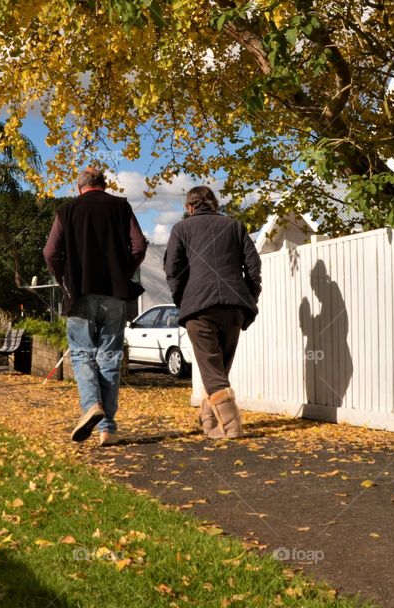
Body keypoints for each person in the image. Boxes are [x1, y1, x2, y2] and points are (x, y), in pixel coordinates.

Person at [43, 166, 147, 446]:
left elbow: (50, 252)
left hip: (79, 295)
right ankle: (108, 430)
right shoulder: (121, 207)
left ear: (80, 188)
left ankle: (91, 405)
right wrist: (122, 273)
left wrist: (63, 277)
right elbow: (138, 246)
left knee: (81, 355)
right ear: (104, 184)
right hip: (113, 295)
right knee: (109, 358)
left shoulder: (66, 211)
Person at [164, 186, 261, 438]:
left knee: (213, 372)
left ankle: (231, 427)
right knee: (217, 370)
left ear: (189, 207)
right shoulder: (235, 226)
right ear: (214, 204)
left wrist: (183, 300)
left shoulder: (181, 229)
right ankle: (209, 422)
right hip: (233, 307)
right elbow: (253, 266)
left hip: (200, 308)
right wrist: (249, 297)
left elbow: (172, 271)